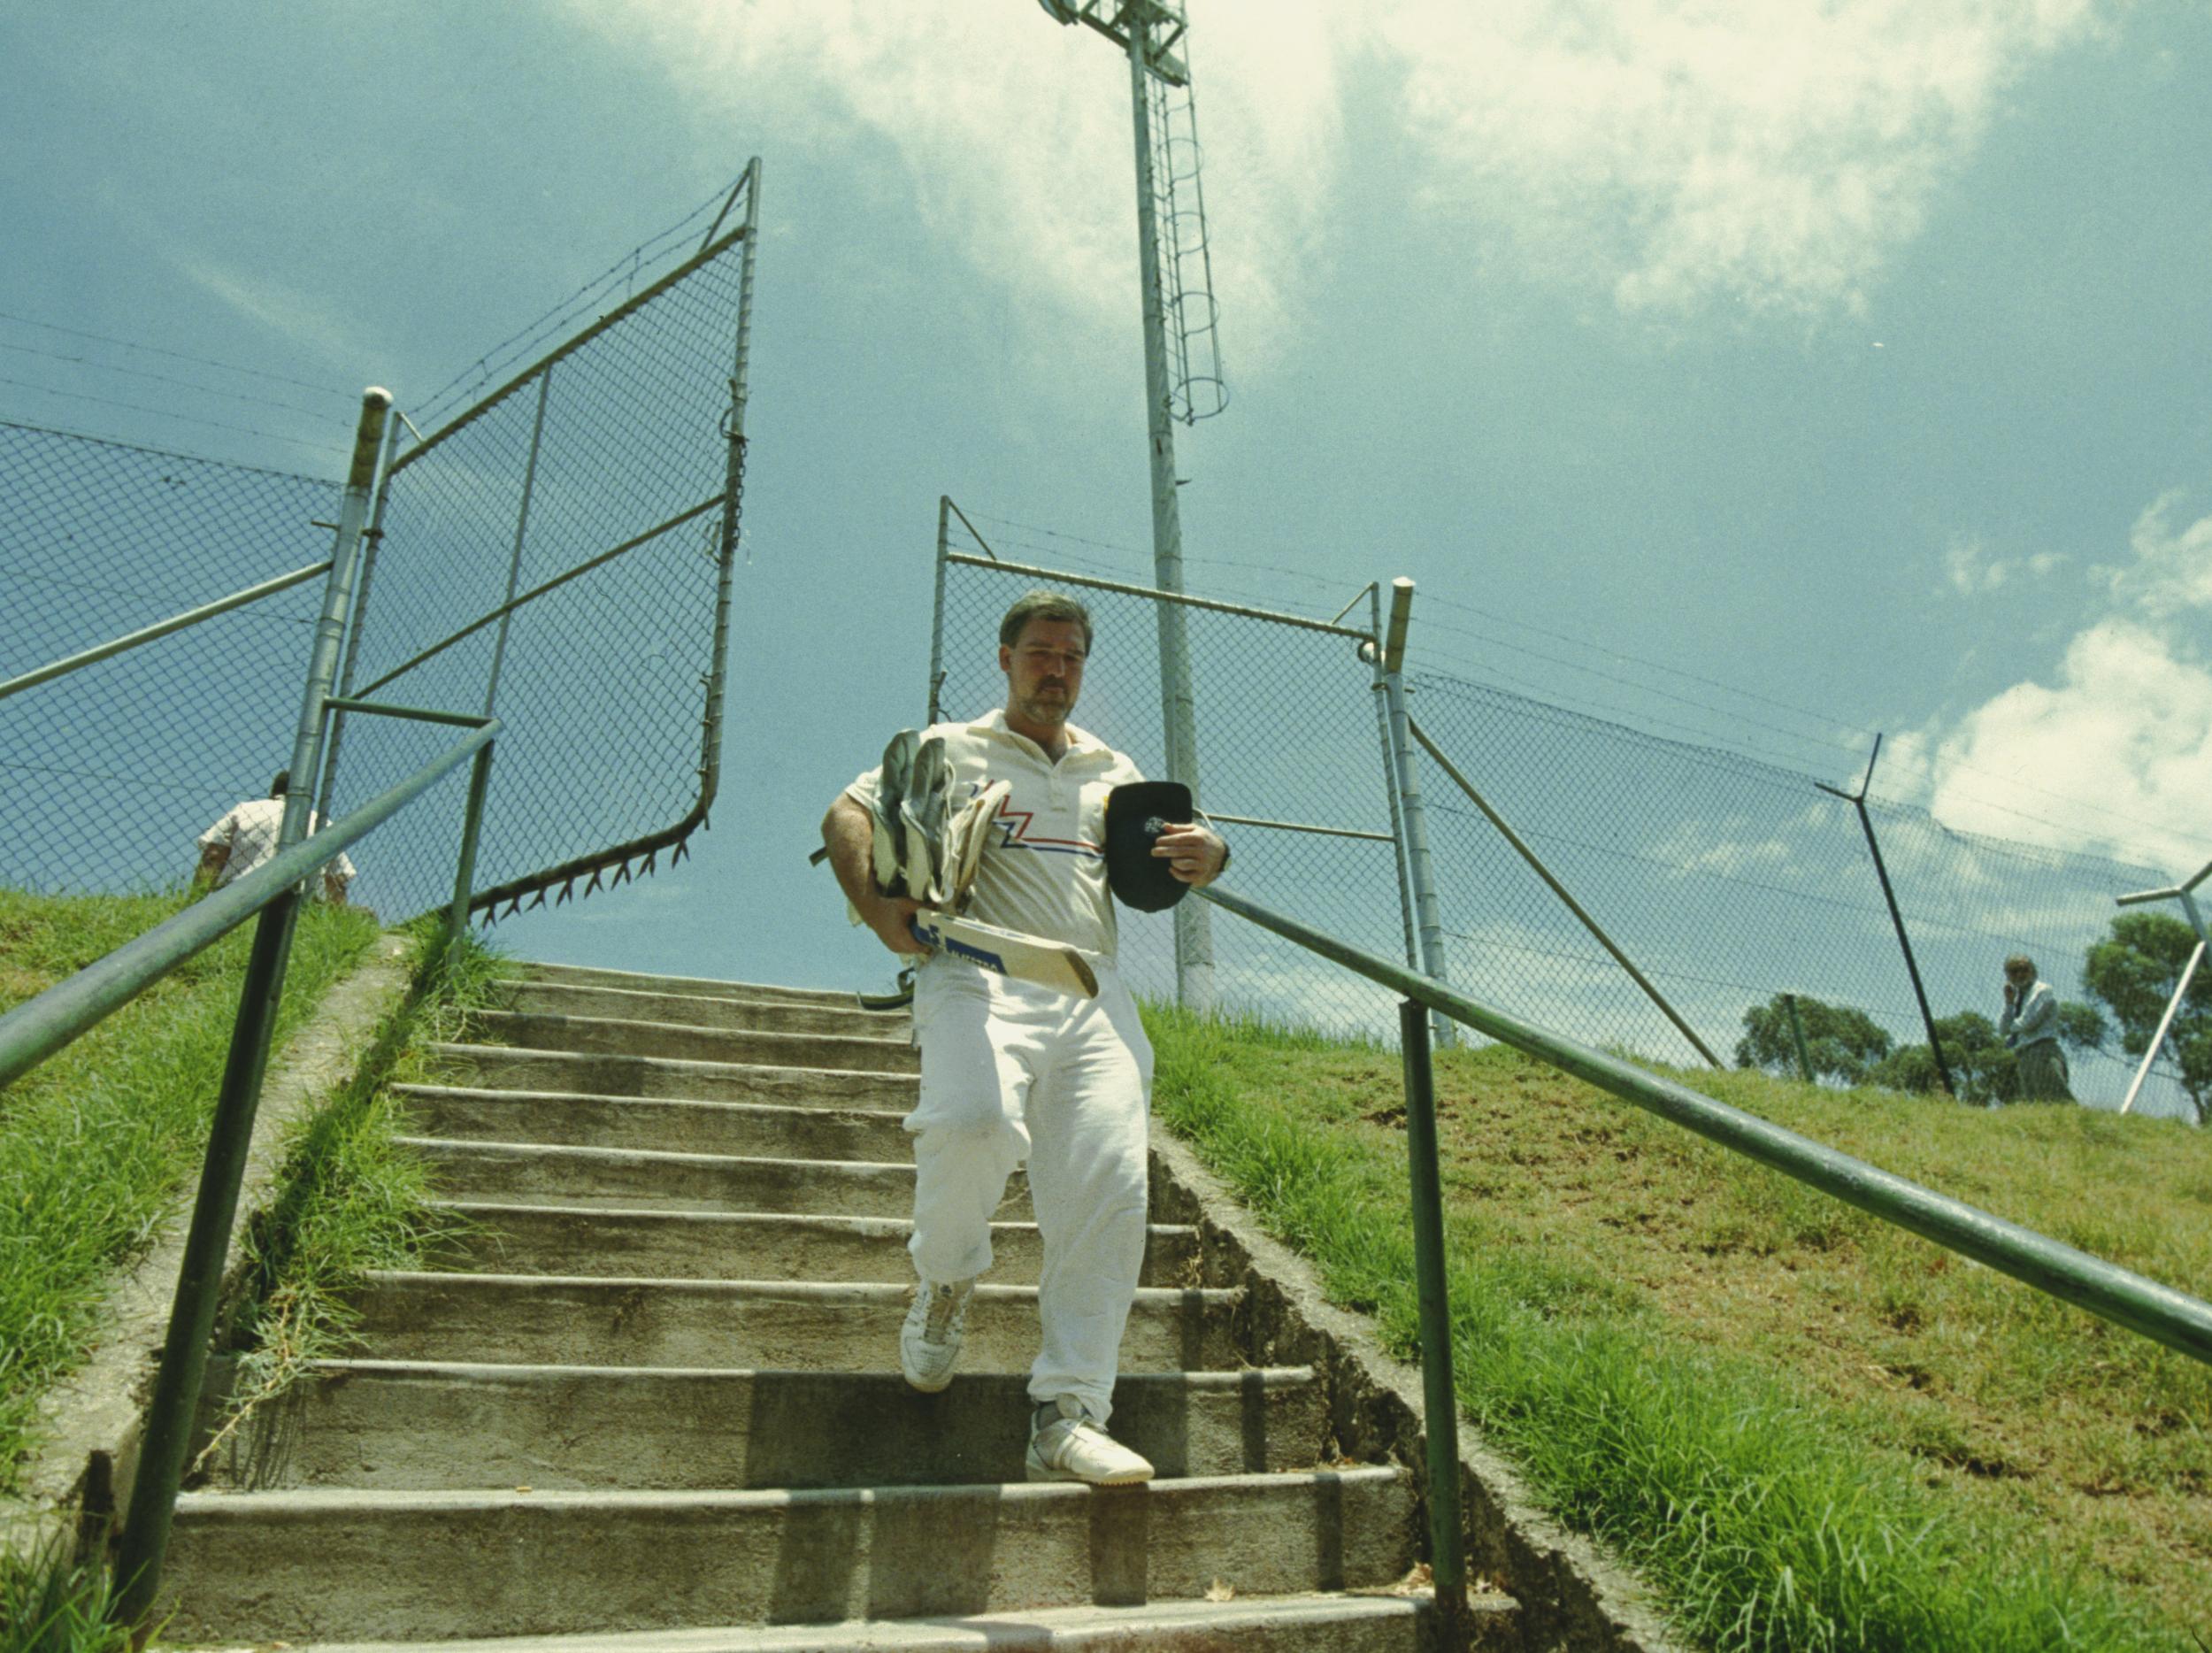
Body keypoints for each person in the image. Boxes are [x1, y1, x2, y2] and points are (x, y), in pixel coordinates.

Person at [820, 590, 1228, 1487]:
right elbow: (846, 815)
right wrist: (884, 914)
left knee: (1112, 1189)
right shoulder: (945, 746)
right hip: (973, 966)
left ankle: (1069, 1410)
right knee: (971, 1121)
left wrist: (1212, 853)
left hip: (1090, 988)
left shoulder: (1112, 768)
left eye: (1073, 656)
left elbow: (1172, 854)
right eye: (1041, 651)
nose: (1058, 668)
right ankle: (945, 1282)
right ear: (1005, 658)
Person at [194, 770, 354, 903]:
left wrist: (194, 900)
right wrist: (336, 919)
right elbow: (337, 878)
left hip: (237, 897)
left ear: (274, 791)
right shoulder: (321, 823)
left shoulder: (245, 810)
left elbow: (214, 856)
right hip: (299, 903)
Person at [1999, 953, 2075, 1103]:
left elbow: (2026, 1023)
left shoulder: (2042, 990)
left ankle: (2080, 1124)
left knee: (2057, 1100)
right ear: (2008, 976)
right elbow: (2002, 1030)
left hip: (2042, 1050)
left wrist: (2011, 1026)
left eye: (2024, 969)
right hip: (2024, 1053)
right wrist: (2009, 1003)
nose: (2020, 974)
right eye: (2014, 971)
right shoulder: (2017, 997)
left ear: (2032, 970)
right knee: (2036, 1103)